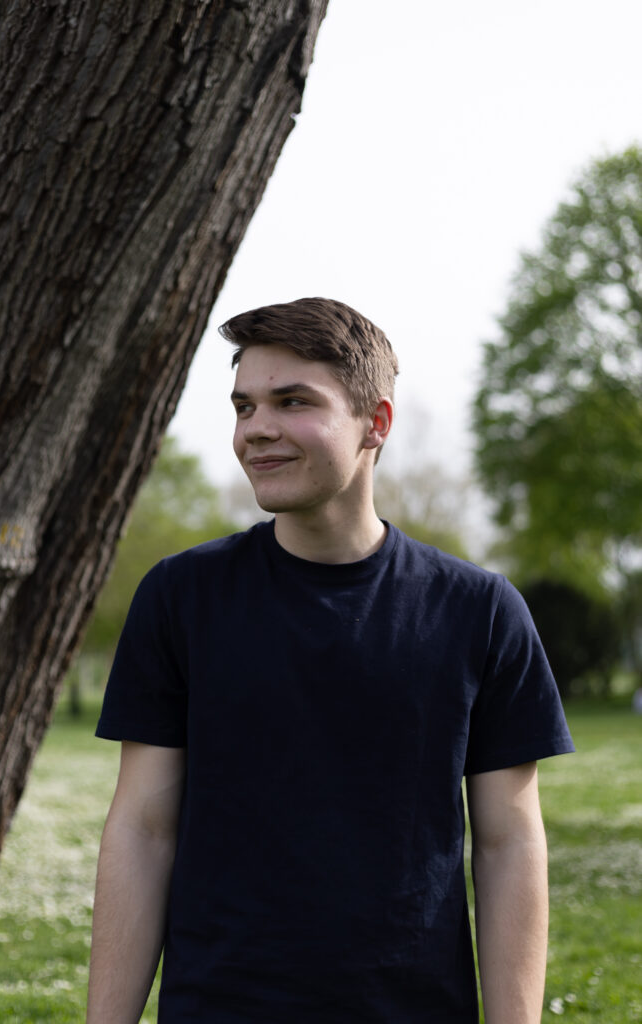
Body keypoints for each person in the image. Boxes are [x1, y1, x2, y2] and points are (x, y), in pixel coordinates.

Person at [87, 297, 575, 1024]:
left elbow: (508, 844)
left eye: (292, 402)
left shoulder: (479, 611)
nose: (257, 429)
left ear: (375, 423)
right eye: (244, 406)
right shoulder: (180, 598)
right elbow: (142, 829)